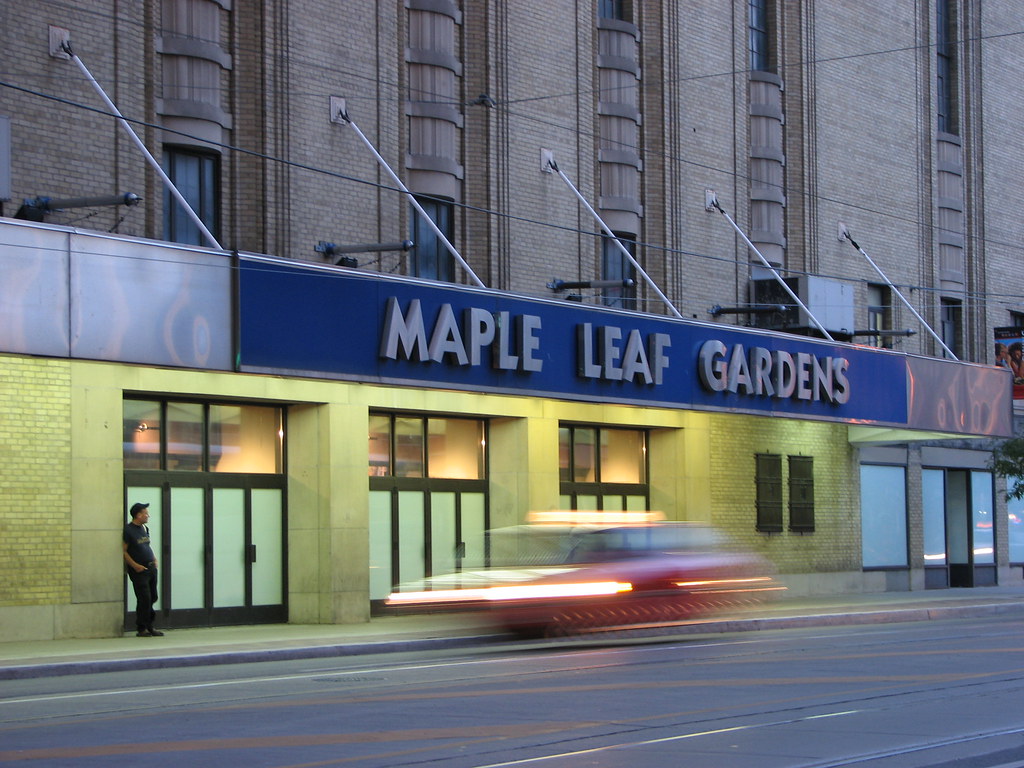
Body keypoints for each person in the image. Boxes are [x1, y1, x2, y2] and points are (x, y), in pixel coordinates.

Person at [123, 502, 164, 637]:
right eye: (146, 513)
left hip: (151, 568)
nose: (148, 516)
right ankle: (141, 628)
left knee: (153, 597)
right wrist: (134, 565)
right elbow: (124, 551)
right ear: (138, 515)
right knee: (144, 598)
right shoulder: (128, 530)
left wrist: (154, 559)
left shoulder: (144, 528)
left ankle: (150, 625)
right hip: (139, 570)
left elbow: (147, 546)